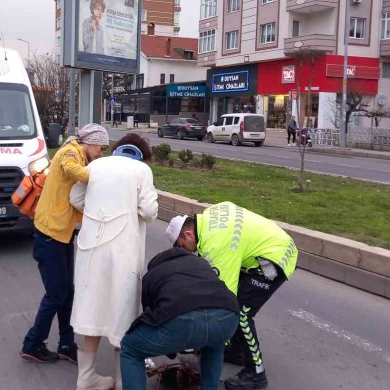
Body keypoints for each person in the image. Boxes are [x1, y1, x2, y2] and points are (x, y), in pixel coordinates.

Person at [168, 203, 298, 390]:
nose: (188, 251)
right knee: (236, 306)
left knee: (240, 313)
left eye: (183, 247)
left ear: (188, 234)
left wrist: (202, 336)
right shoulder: (207, 219)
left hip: (274, 259)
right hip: (271, 245)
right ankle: (237, 352)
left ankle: (256, 373)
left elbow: (223, 298)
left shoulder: (217, 246)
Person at [69, 133, 158, 390]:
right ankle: (122, 380)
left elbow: (75, 198)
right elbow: (149, 211)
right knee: (123, 312)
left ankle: (86, 377)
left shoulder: (95, 166)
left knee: (92, 309)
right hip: (123, 252)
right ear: (142, 154)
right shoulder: (141, 170)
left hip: (91, 249)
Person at [20, 124, 110, 365]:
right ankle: (32, 344)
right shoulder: (71, 152)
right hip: (49, 234)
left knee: (67, 292)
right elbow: (71, 169)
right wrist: (104, 175)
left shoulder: (80, 154)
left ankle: (66, 344)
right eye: (101, 148)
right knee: (56, 294)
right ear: (91, 142)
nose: (101, 152)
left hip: (62, 233)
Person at [119, 246, 240, 390]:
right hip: (228, 315)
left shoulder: (152, 274)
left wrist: (171, 349)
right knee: (215, 344)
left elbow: (151, 318)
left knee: (130, 348)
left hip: (180, 317)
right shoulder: (201, 263)